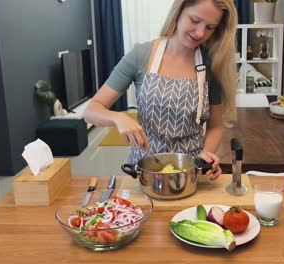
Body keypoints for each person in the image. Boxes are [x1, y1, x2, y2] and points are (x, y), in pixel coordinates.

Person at [83, 0, 237, 180]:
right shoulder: (141, 56)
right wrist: (118, 117)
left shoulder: (211, 65)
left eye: (210, 27)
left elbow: (215, 127)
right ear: (179, 11)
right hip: (142, 172)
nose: (200, 32)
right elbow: (91, 110)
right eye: (195, 20)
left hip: (189, 173)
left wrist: (206, 154)